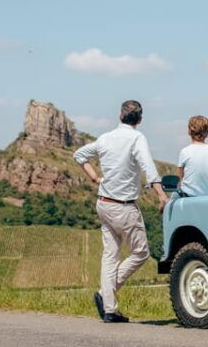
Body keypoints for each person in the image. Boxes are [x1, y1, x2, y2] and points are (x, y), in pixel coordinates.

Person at [73, 100, 168, 323]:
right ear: (140, 120)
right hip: (124, 207)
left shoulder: (105, 138)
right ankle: (106, 294)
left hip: (104, 203)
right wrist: (161, 195)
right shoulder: (136, 138)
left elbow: (79, 155)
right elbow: (148, 167)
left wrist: (94, 177)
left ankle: (109, 309)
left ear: (119, 115)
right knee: (141, 253)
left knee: (110, 256)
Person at [177, 115, 208, 197]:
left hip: (187, 195)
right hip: (207, 195)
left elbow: (179, 178)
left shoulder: (185, 152)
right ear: (207, 133)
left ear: (189, 131)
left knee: (170, 201)